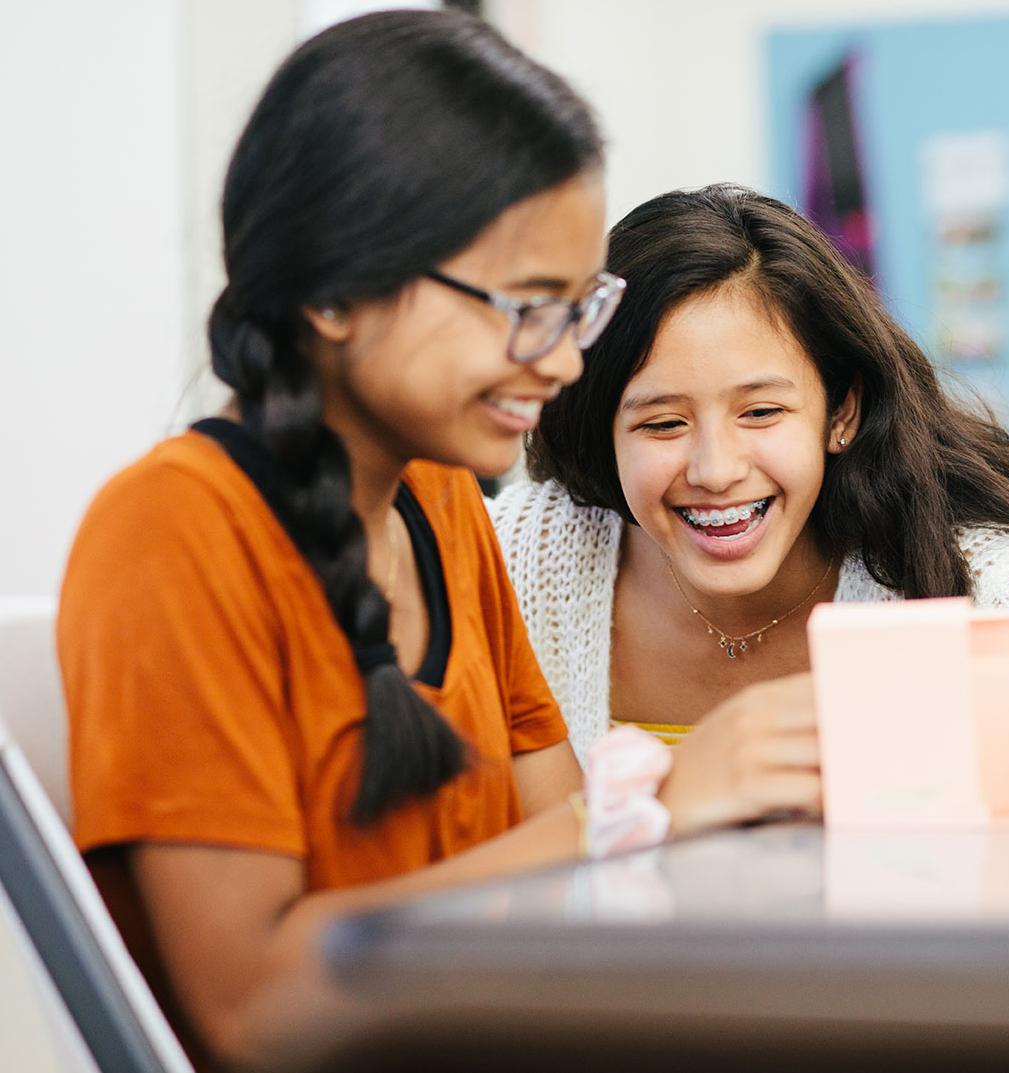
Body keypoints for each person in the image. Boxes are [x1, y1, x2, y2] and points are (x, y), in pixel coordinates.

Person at [58, 18, 818, 1068]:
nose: (560, 366)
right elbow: (251, 1010)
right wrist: (647, 810)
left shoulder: (444, 504)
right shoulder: (171, 530)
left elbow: (567, 894)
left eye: (576, 309)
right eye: (524, 307)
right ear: (332, 292)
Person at [491, 183, 1009, 829]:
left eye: (761, 413)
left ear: (842, 412)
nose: (716, 469)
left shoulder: (941, 558)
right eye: (662, 423)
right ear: (604, 427)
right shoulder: (525, 550)